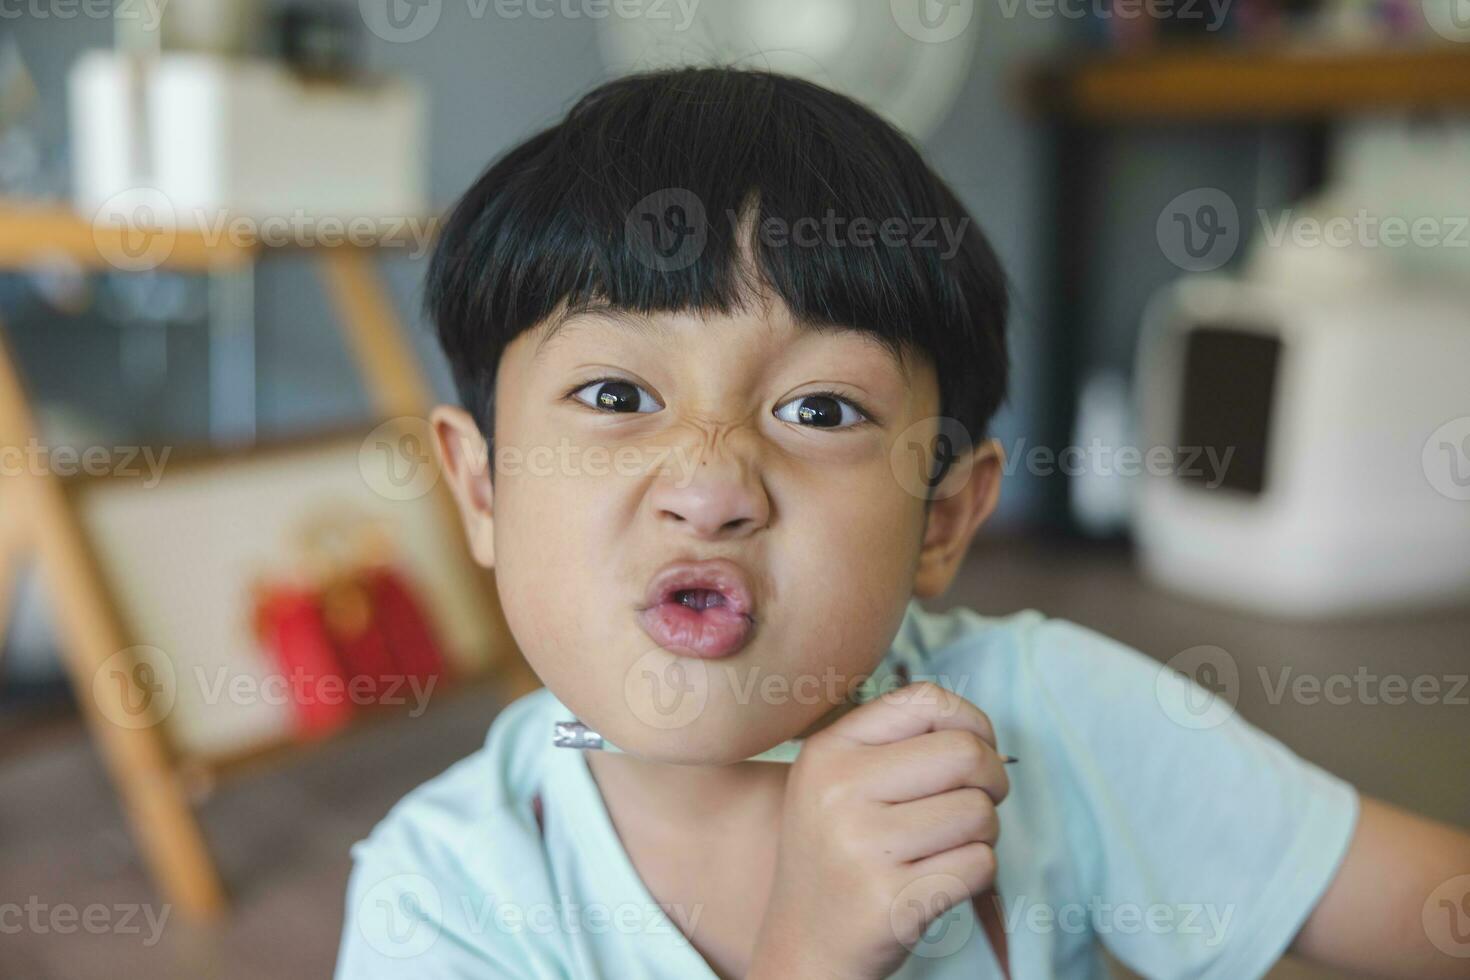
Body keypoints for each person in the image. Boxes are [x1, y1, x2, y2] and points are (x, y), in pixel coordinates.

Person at [334, 67, 1470, 979]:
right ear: (480, 489)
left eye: (820, 408)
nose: (713, 482)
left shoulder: (1051, 717)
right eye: (620, 395)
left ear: (944, 517)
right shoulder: (438, 894)